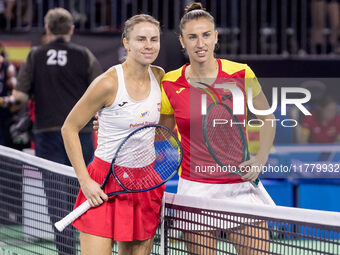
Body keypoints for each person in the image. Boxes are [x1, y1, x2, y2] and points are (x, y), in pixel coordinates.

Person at [159, 3, 276, 254]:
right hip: (195, 189)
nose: (200, 43)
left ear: (216, 37)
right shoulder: (169, 83)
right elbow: (163, 132)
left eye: (206, 35)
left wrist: (260, 158)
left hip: (240, 187)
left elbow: (268, 118)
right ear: (182, 41)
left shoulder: (241, 73)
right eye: (192, 37)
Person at [0, 8, 102, 255]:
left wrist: (7, 100)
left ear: (46, 29)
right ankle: (91, 247)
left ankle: (66, 252)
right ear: (71, 29)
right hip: (81, 135)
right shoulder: (85, 55)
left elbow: (21, 96)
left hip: (48, 136)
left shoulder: (35, 55)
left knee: (56, 198)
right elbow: (101, 93)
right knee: (85, 192)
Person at [62, 14, 165, 255]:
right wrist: (85, 181)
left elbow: (159, 132)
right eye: (141, 39)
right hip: (103, 180)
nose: (149, 45)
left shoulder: (160, 77)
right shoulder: (107, 83)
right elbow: (69, 128)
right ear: (126, 42)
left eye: (154, 39)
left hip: (144, 183)